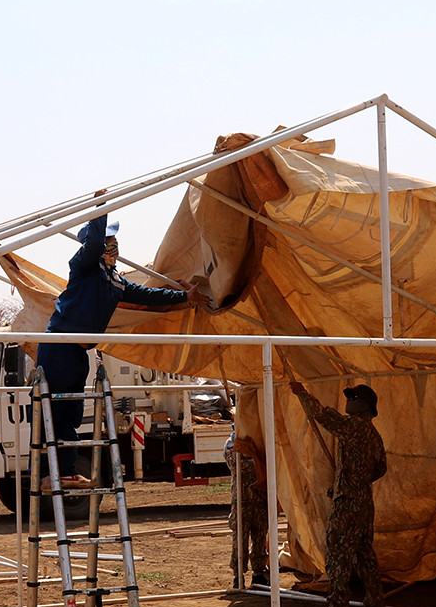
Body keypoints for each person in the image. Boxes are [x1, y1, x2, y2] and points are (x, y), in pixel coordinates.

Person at [38, 213, 205, 487]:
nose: (114, 245)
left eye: (114, 241)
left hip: (78, 351)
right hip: (59, 346)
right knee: (55, 412)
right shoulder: (83, 267)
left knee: (72, 412)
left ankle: (65, 470)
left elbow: (147, 296)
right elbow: (91, 247)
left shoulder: (113, 280)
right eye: (109, 241)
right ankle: (50, 472)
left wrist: (185, 297)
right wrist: (100, 210)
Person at [290, 380, 388, 607]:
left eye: (353, 398)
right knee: (364, 552)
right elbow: (380, 468)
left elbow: (322, 416)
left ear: (364, 406)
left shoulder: (353, 427)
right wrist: (355, 480)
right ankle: (375, 601)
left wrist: (303, 394)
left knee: (337, 550)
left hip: (348, 502)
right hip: (363, 500)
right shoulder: (373, 434)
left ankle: (339, 605)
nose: (348, 401)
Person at [225, 433, 270, 588]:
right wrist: (255, 459)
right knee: (240, 539)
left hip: (260, 499)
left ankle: (258, 573)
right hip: (242, 501)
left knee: (260, 537)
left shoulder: (261, 442)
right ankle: (238, 576)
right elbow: (237, 466)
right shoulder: (232, 443)